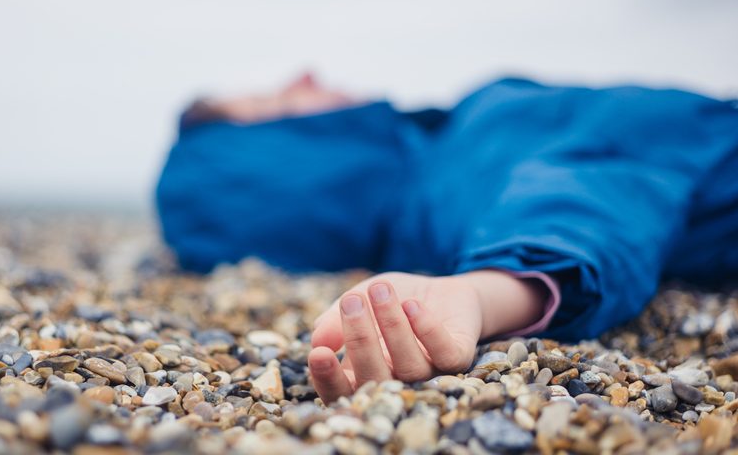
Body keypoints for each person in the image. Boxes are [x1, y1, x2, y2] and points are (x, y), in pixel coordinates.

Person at [156, 73, 738, 403]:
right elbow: (584, 190)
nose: (306, 75)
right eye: (279, 101)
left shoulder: (437, 156)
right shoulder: (448, 178)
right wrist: (486, 292)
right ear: (288, 172)